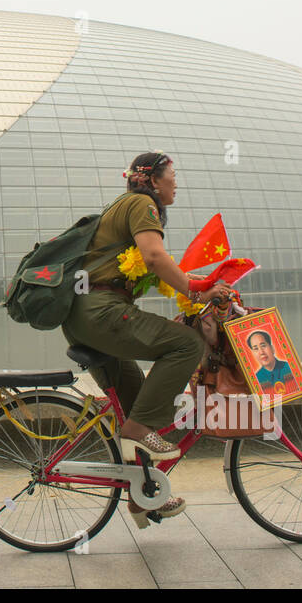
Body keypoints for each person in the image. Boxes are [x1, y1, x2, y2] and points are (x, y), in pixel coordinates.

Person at [62, 151, 235, 527]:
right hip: (102, 313)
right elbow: (154, 258)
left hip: (86, 317)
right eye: (172, 175)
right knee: (187, 345)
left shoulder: (123, 206)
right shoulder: (142, 204)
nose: (176, 182)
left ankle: (142, 499)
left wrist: (188, 300)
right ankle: (138, 434)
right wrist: (198, 292)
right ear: (153, 180)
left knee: (137, 403)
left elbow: (148, 270)